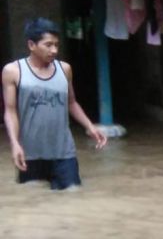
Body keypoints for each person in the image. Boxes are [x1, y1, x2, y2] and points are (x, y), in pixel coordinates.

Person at [2, 18, 107, 190]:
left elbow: (71, 103)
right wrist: (14, 144)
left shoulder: (65, 69)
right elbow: (10, 111)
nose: (54, 50)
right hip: (30, 155)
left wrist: (90, 126)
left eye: (56, 45)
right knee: (33, 201)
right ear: (31, 45)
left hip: (64, 153)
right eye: (48, 45)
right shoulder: (12, 71)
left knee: (73, 196)